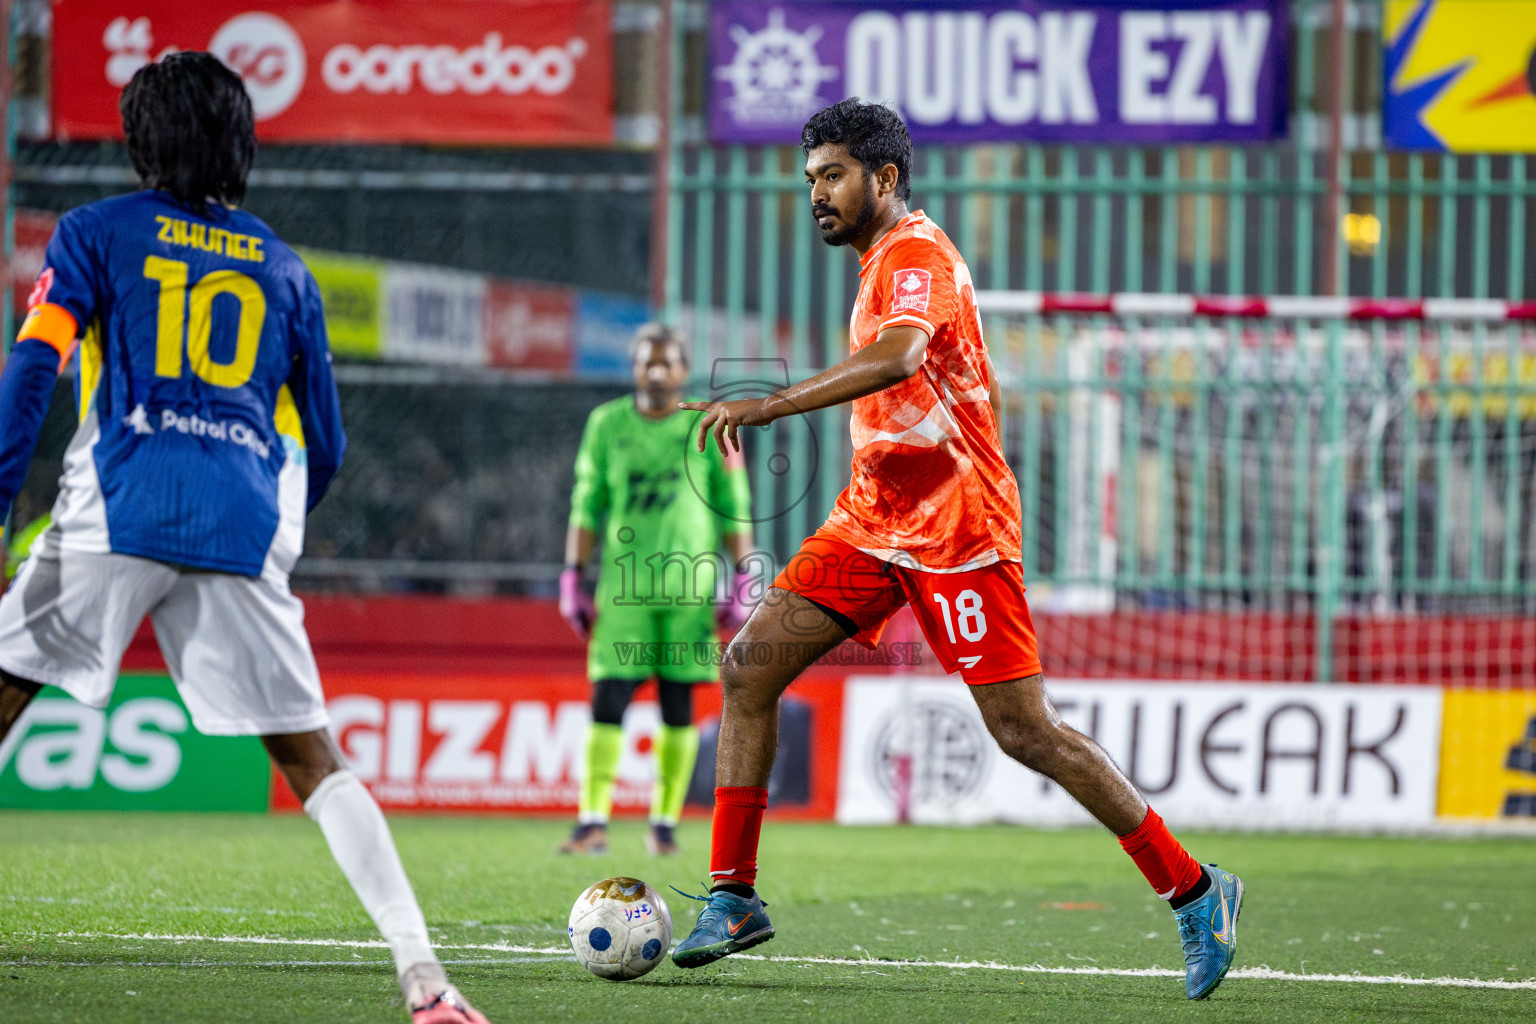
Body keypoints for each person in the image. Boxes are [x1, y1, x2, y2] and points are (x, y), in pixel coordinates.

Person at [668, 99, 1245, 1001]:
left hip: (957, 530)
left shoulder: (917, 256)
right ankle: (733, 899)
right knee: (750, 667)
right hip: (873, 520)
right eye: (810, 178)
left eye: (831, 175)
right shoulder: (873, 260)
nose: (815, 192)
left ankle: (1197, 890)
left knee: (1026, 734)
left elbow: (900, 359)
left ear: (884, 179)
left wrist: (769, 403)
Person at [0, 54, 488, 1024]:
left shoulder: (95, 233)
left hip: (120, 504)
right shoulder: (283, 263)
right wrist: (270, 530)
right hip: (243, 520)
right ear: (241, 143)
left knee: (5, 688)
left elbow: (34, 370)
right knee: (312, 758)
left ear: (140, 140)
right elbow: (331, 440)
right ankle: (424, 976)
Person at [558, 323, 755, 856]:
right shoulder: (606, 424)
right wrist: (573, 575)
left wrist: (744, 575)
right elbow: (587, 503)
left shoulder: (708, 427)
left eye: (668, 363)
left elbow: (733, 504)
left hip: (688, 593)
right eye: (649, 362)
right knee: (608, 698)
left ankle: (662, 825)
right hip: (623, 590)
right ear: (635, 367)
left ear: (684, 371)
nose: (658, 371)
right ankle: (592, 821)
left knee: (677, 704)